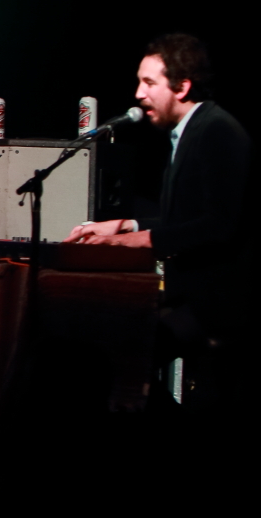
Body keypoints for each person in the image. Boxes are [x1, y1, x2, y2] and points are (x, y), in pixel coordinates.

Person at [65, 34, 250, 404]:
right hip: (194, 300)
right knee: (122, 348)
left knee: (126, 355)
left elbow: (218, 225)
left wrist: (128, 242)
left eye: (149, 82)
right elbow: (180, 218)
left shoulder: (216, 130)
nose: (138, 93)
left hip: (217, 305)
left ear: (182, 87)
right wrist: (125, 225)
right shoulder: (190, 131)